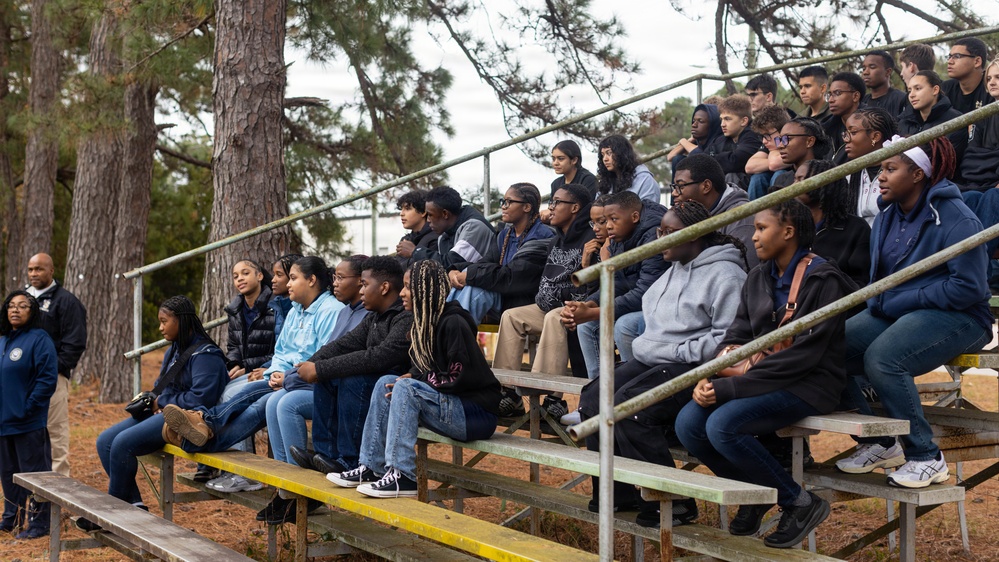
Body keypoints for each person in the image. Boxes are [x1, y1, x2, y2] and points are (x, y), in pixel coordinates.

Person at [675, 200, 856, 548]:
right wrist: (709, 376)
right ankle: (756, 493)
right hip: (759, 378)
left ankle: (799, 502)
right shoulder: (758, 275)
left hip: (809, 383)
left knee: (722, 425)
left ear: (788, 232)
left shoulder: (823, 279)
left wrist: (731, 388)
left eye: (761, 228)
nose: (754, 236)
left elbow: (804, 356)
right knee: (688, 425)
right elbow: (735, 336)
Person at [578, 201, 748, 526]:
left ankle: (673, 502)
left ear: (694, 235)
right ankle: (618, 494)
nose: (660, 239)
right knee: (592, 398)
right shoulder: (674, 268)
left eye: (670, 232)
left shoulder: (727, 275)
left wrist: (680, 351)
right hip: (655, 358)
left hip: (695, 366)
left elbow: (728, 339)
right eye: (659, 231)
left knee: (631, 407)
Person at [836, 137, 993, 488]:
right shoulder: (888, 214)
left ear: (918, 174)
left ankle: (926, 457)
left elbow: (969, 288)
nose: (881, 177)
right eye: (881, 168)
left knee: (884, 358)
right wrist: (887, 300)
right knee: (828, 347)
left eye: (891, 169)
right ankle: (880, 441)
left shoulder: (956, 218)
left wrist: (902, 299)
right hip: (899, 309)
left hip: (964, 316)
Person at [161, 257, 343, 499]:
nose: (288, 284)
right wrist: (275, 372)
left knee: (267, 401)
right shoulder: (295, 311)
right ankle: (283, 486)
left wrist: (283, 376)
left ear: (311, 280)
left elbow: (322, 359)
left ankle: (205, 425)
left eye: (293, 278)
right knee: (257, 399)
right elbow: (281, 352)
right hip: (284, 378)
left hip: (308, 384)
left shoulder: (330, 311)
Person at [327, 260, 502, 498]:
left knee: (406, 388)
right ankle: (371, 467)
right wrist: (415, 375)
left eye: (408, 287)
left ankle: (404, 475)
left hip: (474, 414)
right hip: (451, 407)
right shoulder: (425, 322)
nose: (402, 293)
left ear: (425, 289)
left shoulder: (454, 322)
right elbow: (428, 368)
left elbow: (456, 376)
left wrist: (418, 380)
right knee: (387, 382)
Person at [82, 296, 228, 532]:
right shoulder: (174, 349)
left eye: (164, 321)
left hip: (189, 419)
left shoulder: (207, 355)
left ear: (181, 321)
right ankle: (135, 506)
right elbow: (163, 386)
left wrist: (163, 402)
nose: (160, 327)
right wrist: (153, 400)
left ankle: (112, 515)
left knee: (122, 444)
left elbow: (202, 399)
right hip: (166, 412)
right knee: (105, 441)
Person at [292, 256, 413, 479]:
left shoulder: (405, 317)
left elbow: (377, 358)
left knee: (351, 380)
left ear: (384, 287)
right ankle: (325, 455)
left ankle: (349, 460)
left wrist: (321, 368)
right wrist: (313, 363)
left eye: (365, 285)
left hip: (393, 386)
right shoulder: (374, 317)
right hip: (374, 381)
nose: (361, 290)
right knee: (327, 378)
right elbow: (344, 344)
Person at [491, 184, 594, 417]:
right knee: (512, 316)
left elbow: (591, 287)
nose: (551, 208)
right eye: (552, 202)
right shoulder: (556, 238)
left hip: (576, 310)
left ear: (575, 208)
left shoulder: (591, 238)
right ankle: (508, 392)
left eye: (557, 202)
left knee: (554, 317)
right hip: (548, 305)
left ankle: (550, 397)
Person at [268, 255, 370, 480]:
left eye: (341, 278)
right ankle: (285, 483)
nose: (335, 283)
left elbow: (353, 358)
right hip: (316, 381)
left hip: (348, 388)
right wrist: (292, 374)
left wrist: (295, 376)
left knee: (286, 404)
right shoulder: (346, 312)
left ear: (360, 281)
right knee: (272, 401)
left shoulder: (357, 313)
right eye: (334, 277)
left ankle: (301, 481)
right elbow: (329, 350)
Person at [567, 191, 669, 381]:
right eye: (605, 220)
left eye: (613, 219)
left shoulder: (654, 235)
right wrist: (589, 304)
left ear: (635, 217)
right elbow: (618, 282)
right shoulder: (620, 236)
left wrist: (595, 312)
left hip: (661, 305)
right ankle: (597, 390)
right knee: (587, 326)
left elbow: (645, 293)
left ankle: (632, 388)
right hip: (636, 303)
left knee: (624, 325)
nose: (608, 226)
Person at [447, 183, 556, 323]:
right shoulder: (505, 235)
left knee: (477, 287)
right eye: (502, 201)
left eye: (509, 202)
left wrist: (469, 275)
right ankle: (448, 327)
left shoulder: (542, 237)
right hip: (505, 296)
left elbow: (511, 277)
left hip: (527, 302)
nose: (503, 206)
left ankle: (455, 329)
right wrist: (455, 270)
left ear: (526, 207)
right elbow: (484, 263)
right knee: (469, 280)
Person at [0, 291, 57, 538]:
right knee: (8, 474)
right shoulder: (3, 340)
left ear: (32, 312)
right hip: (3, 423)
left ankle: (40, 523)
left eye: (22, 306)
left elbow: (47, 379)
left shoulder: (39, 339)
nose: (15, 310)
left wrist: (28, 408)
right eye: (11, 306)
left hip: (28, 423)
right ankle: (11, 518)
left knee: (34, 474)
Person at [26, 253, 86, 478]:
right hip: (21, 380)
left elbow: (75, 343)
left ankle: (58, 491)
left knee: (55, 435)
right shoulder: (21, 299)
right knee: (25, 434)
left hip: (52, 379)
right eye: (31, 269)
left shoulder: (67, 302)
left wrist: (50, 370)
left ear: (51, 271)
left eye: (39, 269)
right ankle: (26, 488)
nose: (34, 274)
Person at [670, 154, 759, 268]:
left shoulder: (741, 218)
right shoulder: (689, 214)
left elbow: (746, 270)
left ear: (706, 186)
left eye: (681, 186)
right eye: (674, 187)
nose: (674, 193)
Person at [793, 160, 872, 288]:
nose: (793, 186)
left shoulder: (856, 229)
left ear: (824, 183)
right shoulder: (791, 228)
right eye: (794, 179)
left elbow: (860, 282)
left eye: (800, 179)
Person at [841, 107, 899, 226]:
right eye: (846, 133)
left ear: (875, 136)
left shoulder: (899, 172)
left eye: (853, 132)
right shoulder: (849, 176)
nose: (846, 140)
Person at [900, 71, 968, 167]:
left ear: (935, 90)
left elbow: (947, 162)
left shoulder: (955, 121)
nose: (911, 95)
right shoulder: (904, 121)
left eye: (918, 88)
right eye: (909, 90)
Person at [422, 185, 498, 270]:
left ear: (445, 214)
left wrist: (416, 252)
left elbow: (453, 264)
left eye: (430, 215)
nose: (428, 220)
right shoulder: (444, 237)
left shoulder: (474, 227)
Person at [961, 55, 999, 191]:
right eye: (988, 79)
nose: (992, 82)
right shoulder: (981, 115)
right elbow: (970, 158)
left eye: (998, 77)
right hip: (978, 183)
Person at [745, 105, 792, 200]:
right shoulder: (772, 143)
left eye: (767, 135)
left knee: (779, 174)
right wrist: (773, 155)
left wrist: (773, 153)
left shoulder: (793, 140)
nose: (764, 141)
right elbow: (749, 167)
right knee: (758, 178)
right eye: (762, 136)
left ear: (782, 131)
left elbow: (774, 164)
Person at [715, 94, 763, 187]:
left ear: (744, 121)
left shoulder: (754, 135)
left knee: (731, 176)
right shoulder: (724, 138)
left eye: (727, 119)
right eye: (721, 119)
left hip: (750, 186)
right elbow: (705, 157)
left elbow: (734, 161)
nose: (722, 124)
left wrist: (713, 157)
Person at [595, 134, 660, 203]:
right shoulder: (606, 182)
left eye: (609, 153)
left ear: (621, 154)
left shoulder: (645, 180)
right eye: (603, 155)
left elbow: (650, 208)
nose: (605, 159)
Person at [774, 117, 832, 185]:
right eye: (780, 140)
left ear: (810, 141)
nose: (780, 145)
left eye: (787, 139)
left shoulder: (829, 175)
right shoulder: (781, 181)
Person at [668, 103, 723, 175]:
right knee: (678, 159)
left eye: (701, 121)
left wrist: (683, 141)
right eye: (694, 121)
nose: (694, 125)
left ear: (713, 124)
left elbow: (704, 158)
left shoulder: (721, 142)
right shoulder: (698, 141)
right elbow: (670, 157)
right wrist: (688, 141)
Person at [942, 38, 992, 115]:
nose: (950, 61)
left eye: (957, 56)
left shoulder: (992, 88)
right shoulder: (945, 89)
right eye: (949, 57)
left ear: (977, 61)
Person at [824, 71, 866, 160]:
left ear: (855, 96)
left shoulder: (871, 124)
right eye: (830, 94)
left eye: (837, 93)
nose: (831, 100)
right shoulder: (828, 128)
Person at [395, 189, 439, 269]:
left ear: (423, 212)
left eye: (408, 208)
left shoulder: (435, 238)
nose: (402, 213)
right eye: (401, 209)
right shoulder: (406, 239)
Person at [861, 50, 908, 117]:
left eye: (872, 67)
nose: (865, 72)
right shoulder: (861, 102)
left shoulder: (901, 99)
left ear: (888, 72)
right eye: (864, 68)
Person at [269, 254, 302, 342]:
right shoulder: (277, 306)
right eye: (274, 275)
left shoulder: (302, 307)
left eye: (279, 275)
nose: (273, 280)